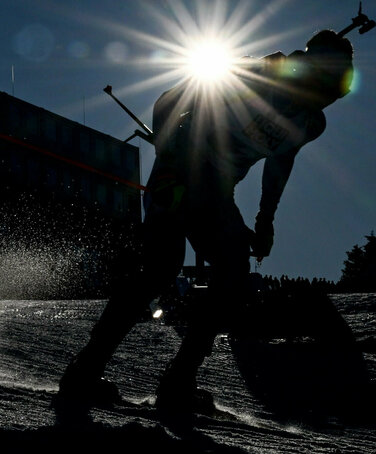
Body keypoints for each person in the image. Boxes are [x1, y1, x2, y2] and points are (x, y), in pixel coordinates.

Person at [56, 29, 355, 416]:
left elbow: (280, 164)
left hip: (215, 190)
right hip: (182, 170)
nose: (324, 99)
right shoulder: (261, 72)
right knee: (163, 267)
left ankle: (171, 379)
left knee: (226, 272)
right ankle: (93, 370)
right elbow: (177, 96)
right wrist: (169, 147)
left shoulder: (311, 122)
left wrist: (265, 220)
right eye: (326, 85)